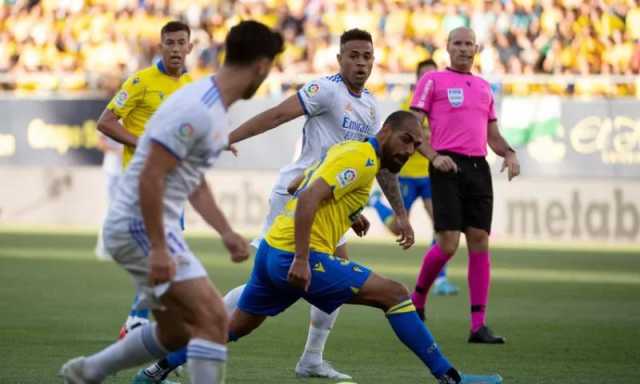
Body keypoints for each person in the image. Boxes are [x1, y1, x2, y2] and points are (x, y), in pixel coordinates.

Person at [137, 28, 414, 382]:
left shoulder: (371, 106)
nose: (361, 63)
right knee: (272, 285)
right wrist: (229, 136)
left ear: (374, 61)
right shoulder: (325, 89)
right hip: (298, 197)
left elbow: (364, 163)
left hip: (329, 202)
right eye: (353, 56)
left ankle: (310, 358)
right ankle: (202, 336)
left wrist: (368, 211)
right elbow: (278, 115)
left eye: (366, 57)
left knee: (314, 280)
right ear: (340, 58)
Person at [59, 20, 284, 384]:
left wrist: (225, 231)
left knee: (177, 332)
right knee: (212, 319)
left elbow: (191, 181)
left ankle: (90, 371)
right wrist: (160, 248)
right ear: (261, 66)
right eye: (270, 66)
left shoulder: (208, 102)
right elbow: (150, 174)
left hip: (149, 224)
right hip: (138, 224)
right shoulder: (197, 107)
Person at [229, 111, 502, 384]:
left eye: (416, 146)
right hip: (296, 255)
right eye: (406, 140)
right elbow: (307, 198)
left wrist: (348, 212)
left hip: (271, 250)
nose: (409, 151)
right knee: (395, 294)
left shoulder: (348, 149)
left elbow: (295, 185)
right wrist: (301, 258)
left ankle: (183, 357)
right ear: (385, 131)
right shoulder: (364, 158)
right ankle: (451, 377)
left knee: (235, 327)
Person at [409, 27, 520, 342]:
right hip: (446, 165)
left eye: (468, 44)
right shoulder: (432, 81)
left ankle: (477, 326)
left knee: (480, 241)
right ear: (447, 48)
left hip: (478, 168)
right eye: (457, 43)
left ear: (476, 48)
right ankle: (417, 300)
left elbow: (493, 136)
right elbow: (413, 126)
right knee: (447, 245)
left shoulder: (484, 87)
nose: (463, 49)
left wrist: (510, 154)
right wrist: (432, 156)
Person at [96, 21, 194, 341]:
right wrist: (142, 143)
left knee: (171, 256)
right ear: (160, 46)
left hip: (173, 184)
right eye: (170, 43)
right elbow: (106, 122)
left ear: (190, 47)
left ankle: (141, 323)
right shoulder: (140, 81)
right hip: (143, 182)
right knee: (164, 252)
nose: (176, 48)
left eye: (182, 42)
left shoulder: (192, 86)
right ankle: (139, 322)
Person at [369, 58, 460, 298]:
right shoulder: (406, 108)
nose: (429, 81)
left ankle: (440, 278)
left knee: (442, 227)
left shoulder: (443, 108)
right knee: (399, 229)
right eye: (425, 77)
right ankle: (376, 203)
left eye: (433, 76)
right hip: (407, 176)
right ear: (418, 80)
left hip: (431, 176)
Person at [95, 134, 123, 260]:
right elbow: (100, 142)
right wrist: (117, 151)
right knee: (112, 210)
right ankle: (104, 247)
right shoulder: (111, 116)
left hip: (129, 169)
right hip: (113, 170)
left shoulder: (135, 117)